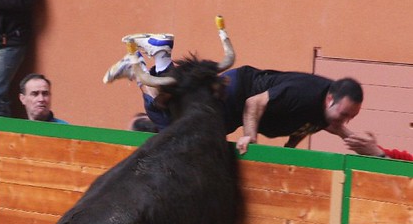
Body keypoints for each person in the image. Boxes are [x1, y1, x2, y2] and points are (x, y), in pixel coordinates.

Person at [104, 34, 364, 155]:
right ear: (330, 99)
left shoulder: (327, 114)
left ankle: (150, 61)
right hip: (237, 94)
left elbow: (311, 126)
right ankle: (147, 65)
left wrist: (375, 153)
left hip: (235, 108)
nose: (345, 122)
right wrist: (250, 137)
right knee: (174, 126)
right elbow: (255, 102)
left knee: (179, 115)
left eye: (350, 117)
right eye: (344, 114)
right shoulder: (305, 95)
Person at [344, 132, 413, 161]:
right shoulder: (408, 159)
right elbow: (367, 147)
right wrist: (340, 129)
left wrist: (377, 153)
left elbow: (400, 175)